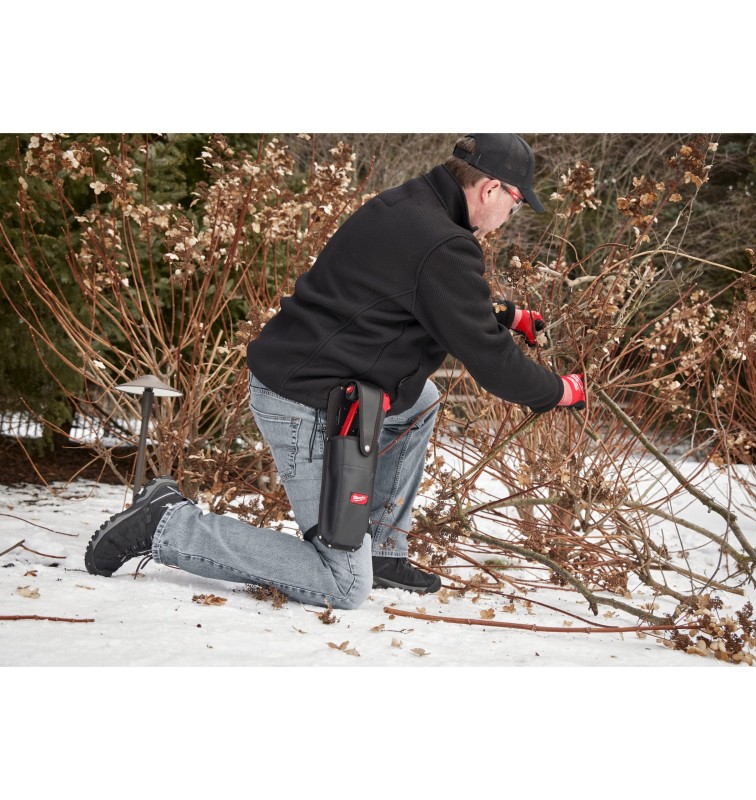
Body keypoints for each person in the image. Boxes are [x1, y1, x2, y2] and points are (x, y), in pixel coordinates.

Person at [84, 133, 586, 609]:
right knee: (343, 583)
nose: (512, 214)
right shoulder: (443, 242)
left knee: (421, 400)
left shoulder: (410, 204)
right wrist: (559, 391)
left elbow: (420, 294)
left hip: (316, 374)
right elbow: (493, 364)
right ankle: (165, 525)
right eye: (516, 202)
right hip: (305, 402)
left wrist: (505, 315)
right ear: (490, 188)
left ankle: (383, 551)